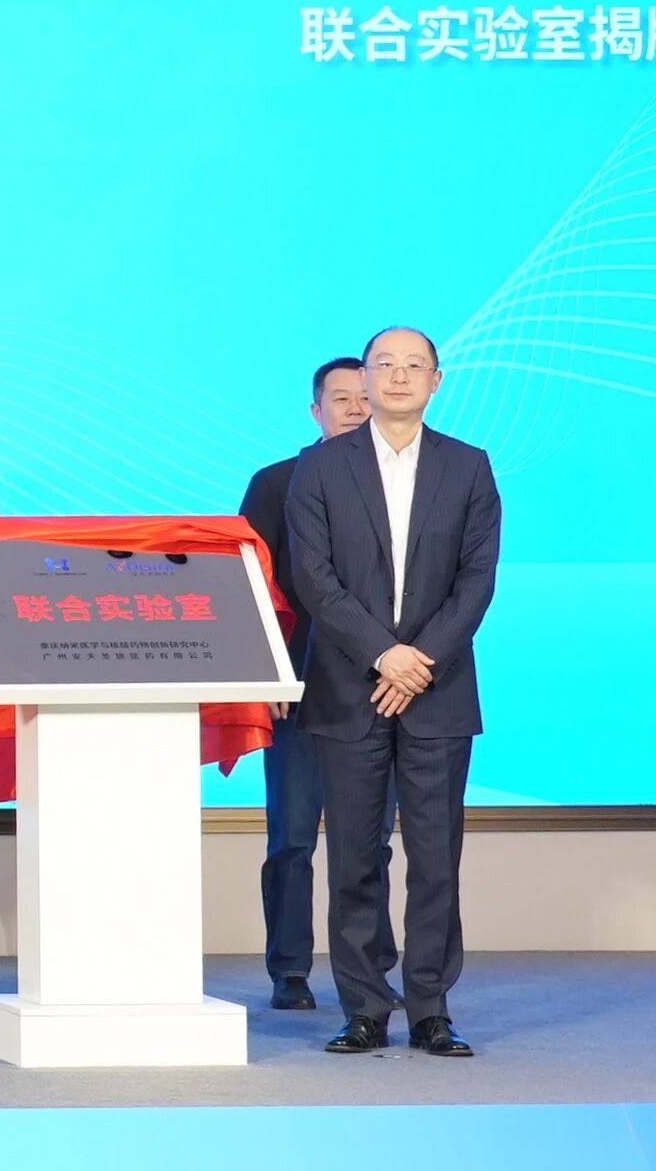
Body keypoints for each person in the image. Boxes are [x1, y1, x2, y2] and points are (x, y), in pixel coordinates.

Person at [282, 325, 501, 1059]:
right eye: (385, 364)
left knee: (436, 857)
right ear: (366, 379)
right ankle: (365, 1008)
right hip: (350, 685)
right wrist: (383, 654)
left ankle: (431, 1008)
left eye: (414, 365)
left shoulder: (469, 466)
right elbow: (313, 576)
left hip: (438, 687)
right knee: (354, 856)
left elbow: (477, 578)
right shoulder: (319, 468)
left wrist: (420, 658)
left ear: (436, 381)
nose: (399, 375)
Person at [236, 356, 372, 1012]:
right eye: (341, 399)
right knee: (292, 836)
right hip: (295, 685)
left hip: (376, 687)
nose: (356, 409)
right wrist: (262, 675)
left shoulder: (401, 482)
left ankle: (370, 970)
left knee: (369, 841)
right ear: (316, 411)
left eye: (365, 397)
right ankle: (289, 969)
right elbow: (248, 585)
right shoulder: (275, 483)